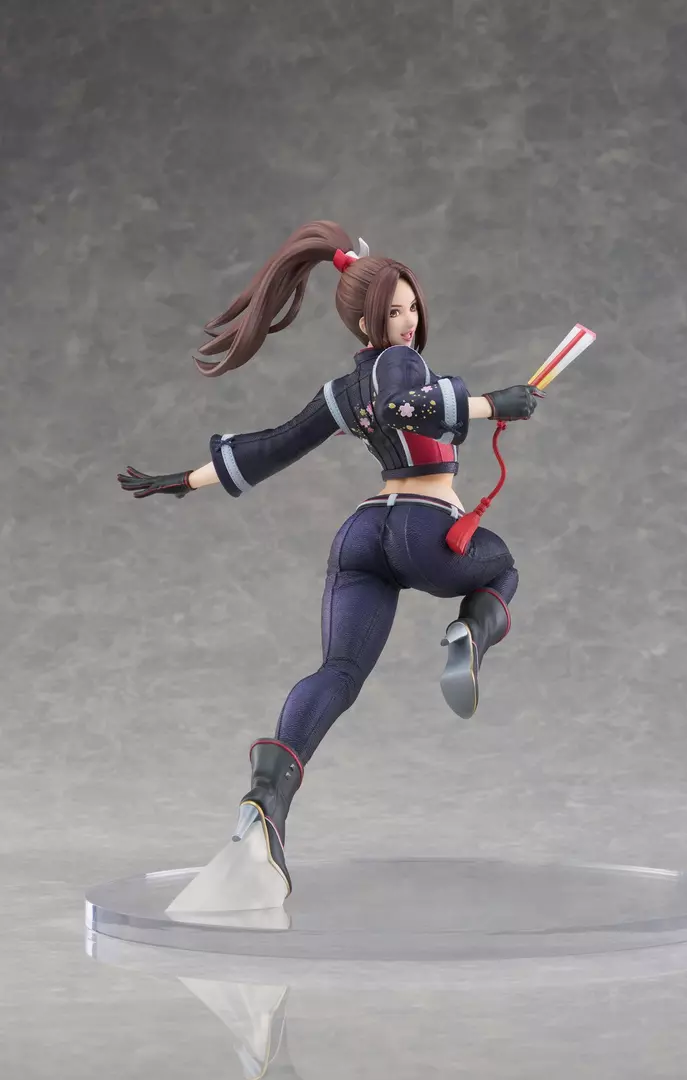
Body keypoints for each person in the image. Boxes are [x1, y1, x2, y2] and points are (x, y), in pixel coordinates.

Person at [118, 221, 542, 899]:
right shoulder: (401, 365)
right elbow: (404, 405)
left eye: (411, 307)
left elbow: (273, 447)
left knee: (337, 673)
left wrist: (187, 480)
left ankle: (266, 801)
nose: (407, 322)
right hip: (423, 530)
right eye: (393, 312)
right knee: (503, 569)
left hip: (363, 536)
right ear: (366, 322)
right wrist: (494, 403)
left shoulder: (342, 392)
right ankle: (470, 633)